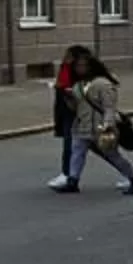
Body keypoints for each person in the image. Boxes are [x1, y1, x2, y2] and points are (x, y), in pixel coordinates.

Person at [51, 47, 133, 195]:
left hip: (100, 128)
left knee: (113, 156)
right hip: (82, 126)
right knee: (77, 154)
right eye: (77, 66)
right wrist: (67, 97)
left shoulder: (103, 84)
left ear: (91, 67)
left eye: (82, 66)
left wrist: (108, 126)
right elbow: (76, 107)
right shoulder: (79, 85)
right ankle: (72, 181)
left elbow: (109, 108)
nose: (79, 69)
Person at [51, 48, 79, 187]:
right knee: (72, 145)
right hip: (67, 111)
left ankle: (130, 174)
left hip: (76, 112)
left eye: (69, 56)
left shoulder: (78, 70)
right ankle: (68, 176)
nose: (66, 58)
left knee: (104, 148)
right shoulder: (65, 68)